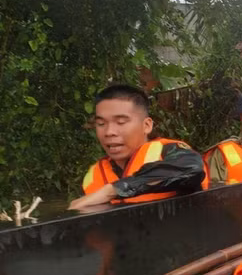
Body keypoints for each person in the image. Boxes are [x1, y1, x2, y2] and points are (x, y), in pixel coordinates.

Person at [71, 84, 206, 209]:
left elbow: (192, 169)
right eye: (101, 124)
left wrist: (113, 190)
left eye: (121, 122)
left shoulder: (169, 152)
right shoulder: (94, 175)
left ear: (146, 125)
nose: (109, 132)